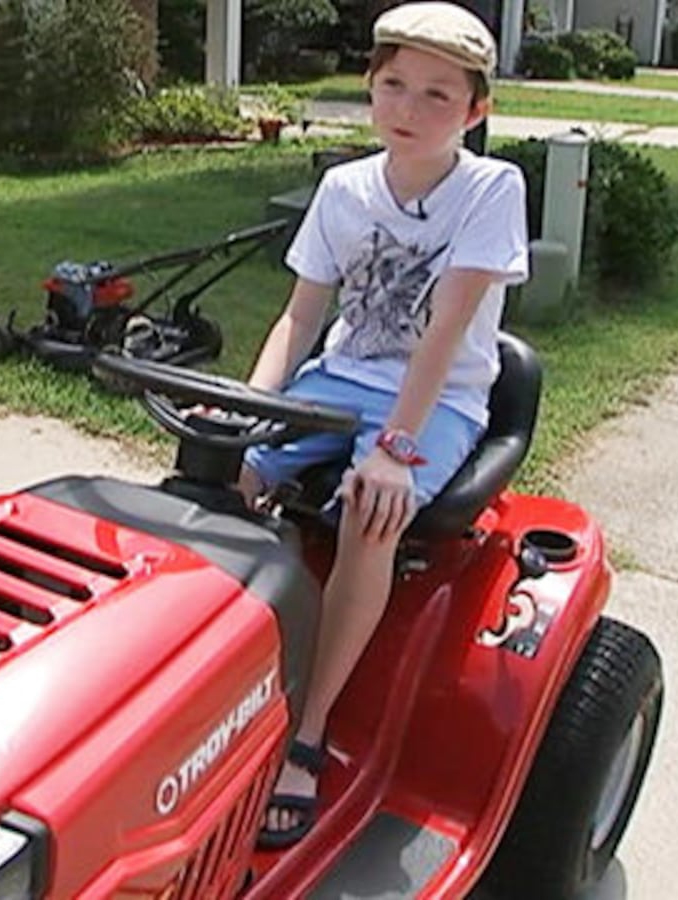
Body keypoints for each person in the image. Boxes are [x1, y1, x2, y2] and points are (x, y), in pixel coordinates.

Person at [241, 2, 528, 847]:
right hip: (337, 378)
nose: (408, 109)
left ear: (475, 112)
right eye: (394, 85)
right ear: (370, 87)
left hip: (435, 401)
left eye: (438, 96)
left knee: (373, 514)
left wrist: (397, 450)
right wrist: (247, 412)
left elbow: (446, 328)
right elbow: (298, 319)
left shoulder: (490, 188)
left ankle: (308, 729)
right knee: (224, 476)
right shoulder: (344, 188)